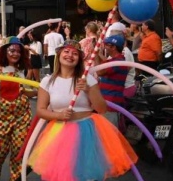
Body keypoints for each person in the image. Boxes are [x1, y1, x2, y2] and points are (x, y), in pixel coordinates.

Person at [29, 40, 137, 180]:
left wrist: (88, 89)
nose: (70, 55)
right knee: (63, 174)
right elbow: (41, 110)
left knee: (86, 175)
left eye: (75, 53)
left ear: (79, 59)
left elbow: (101, 108)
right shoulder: (48, 81)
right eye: (66, 52)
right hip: (59, 131)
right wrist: (59, 115)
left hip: (87, 131)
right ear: (59, 55)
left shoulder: (88, 79)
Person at [0, 37, 36, 181]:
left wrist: (38, 91)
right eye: (12, 50)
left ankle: (17, 178)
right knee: (0, 149)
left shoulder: (21, 69)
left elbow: (25, 91)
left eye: (18, 51)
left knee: (19, 149)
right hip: (1, 116)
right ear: (4, 51)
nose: (16, 54)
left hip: (22, 116)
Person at [95, 34, 130, 128]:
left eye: (106, 45)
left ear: (113, 47)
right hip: (109, 104)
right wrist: (98, 53)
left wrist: (94, 55)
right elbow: (105, 63)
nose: (105, 47)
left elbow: (100, 71)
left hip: (111, 105)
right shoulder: (116, 60)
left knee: (108, 135)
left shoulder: (117, 62)